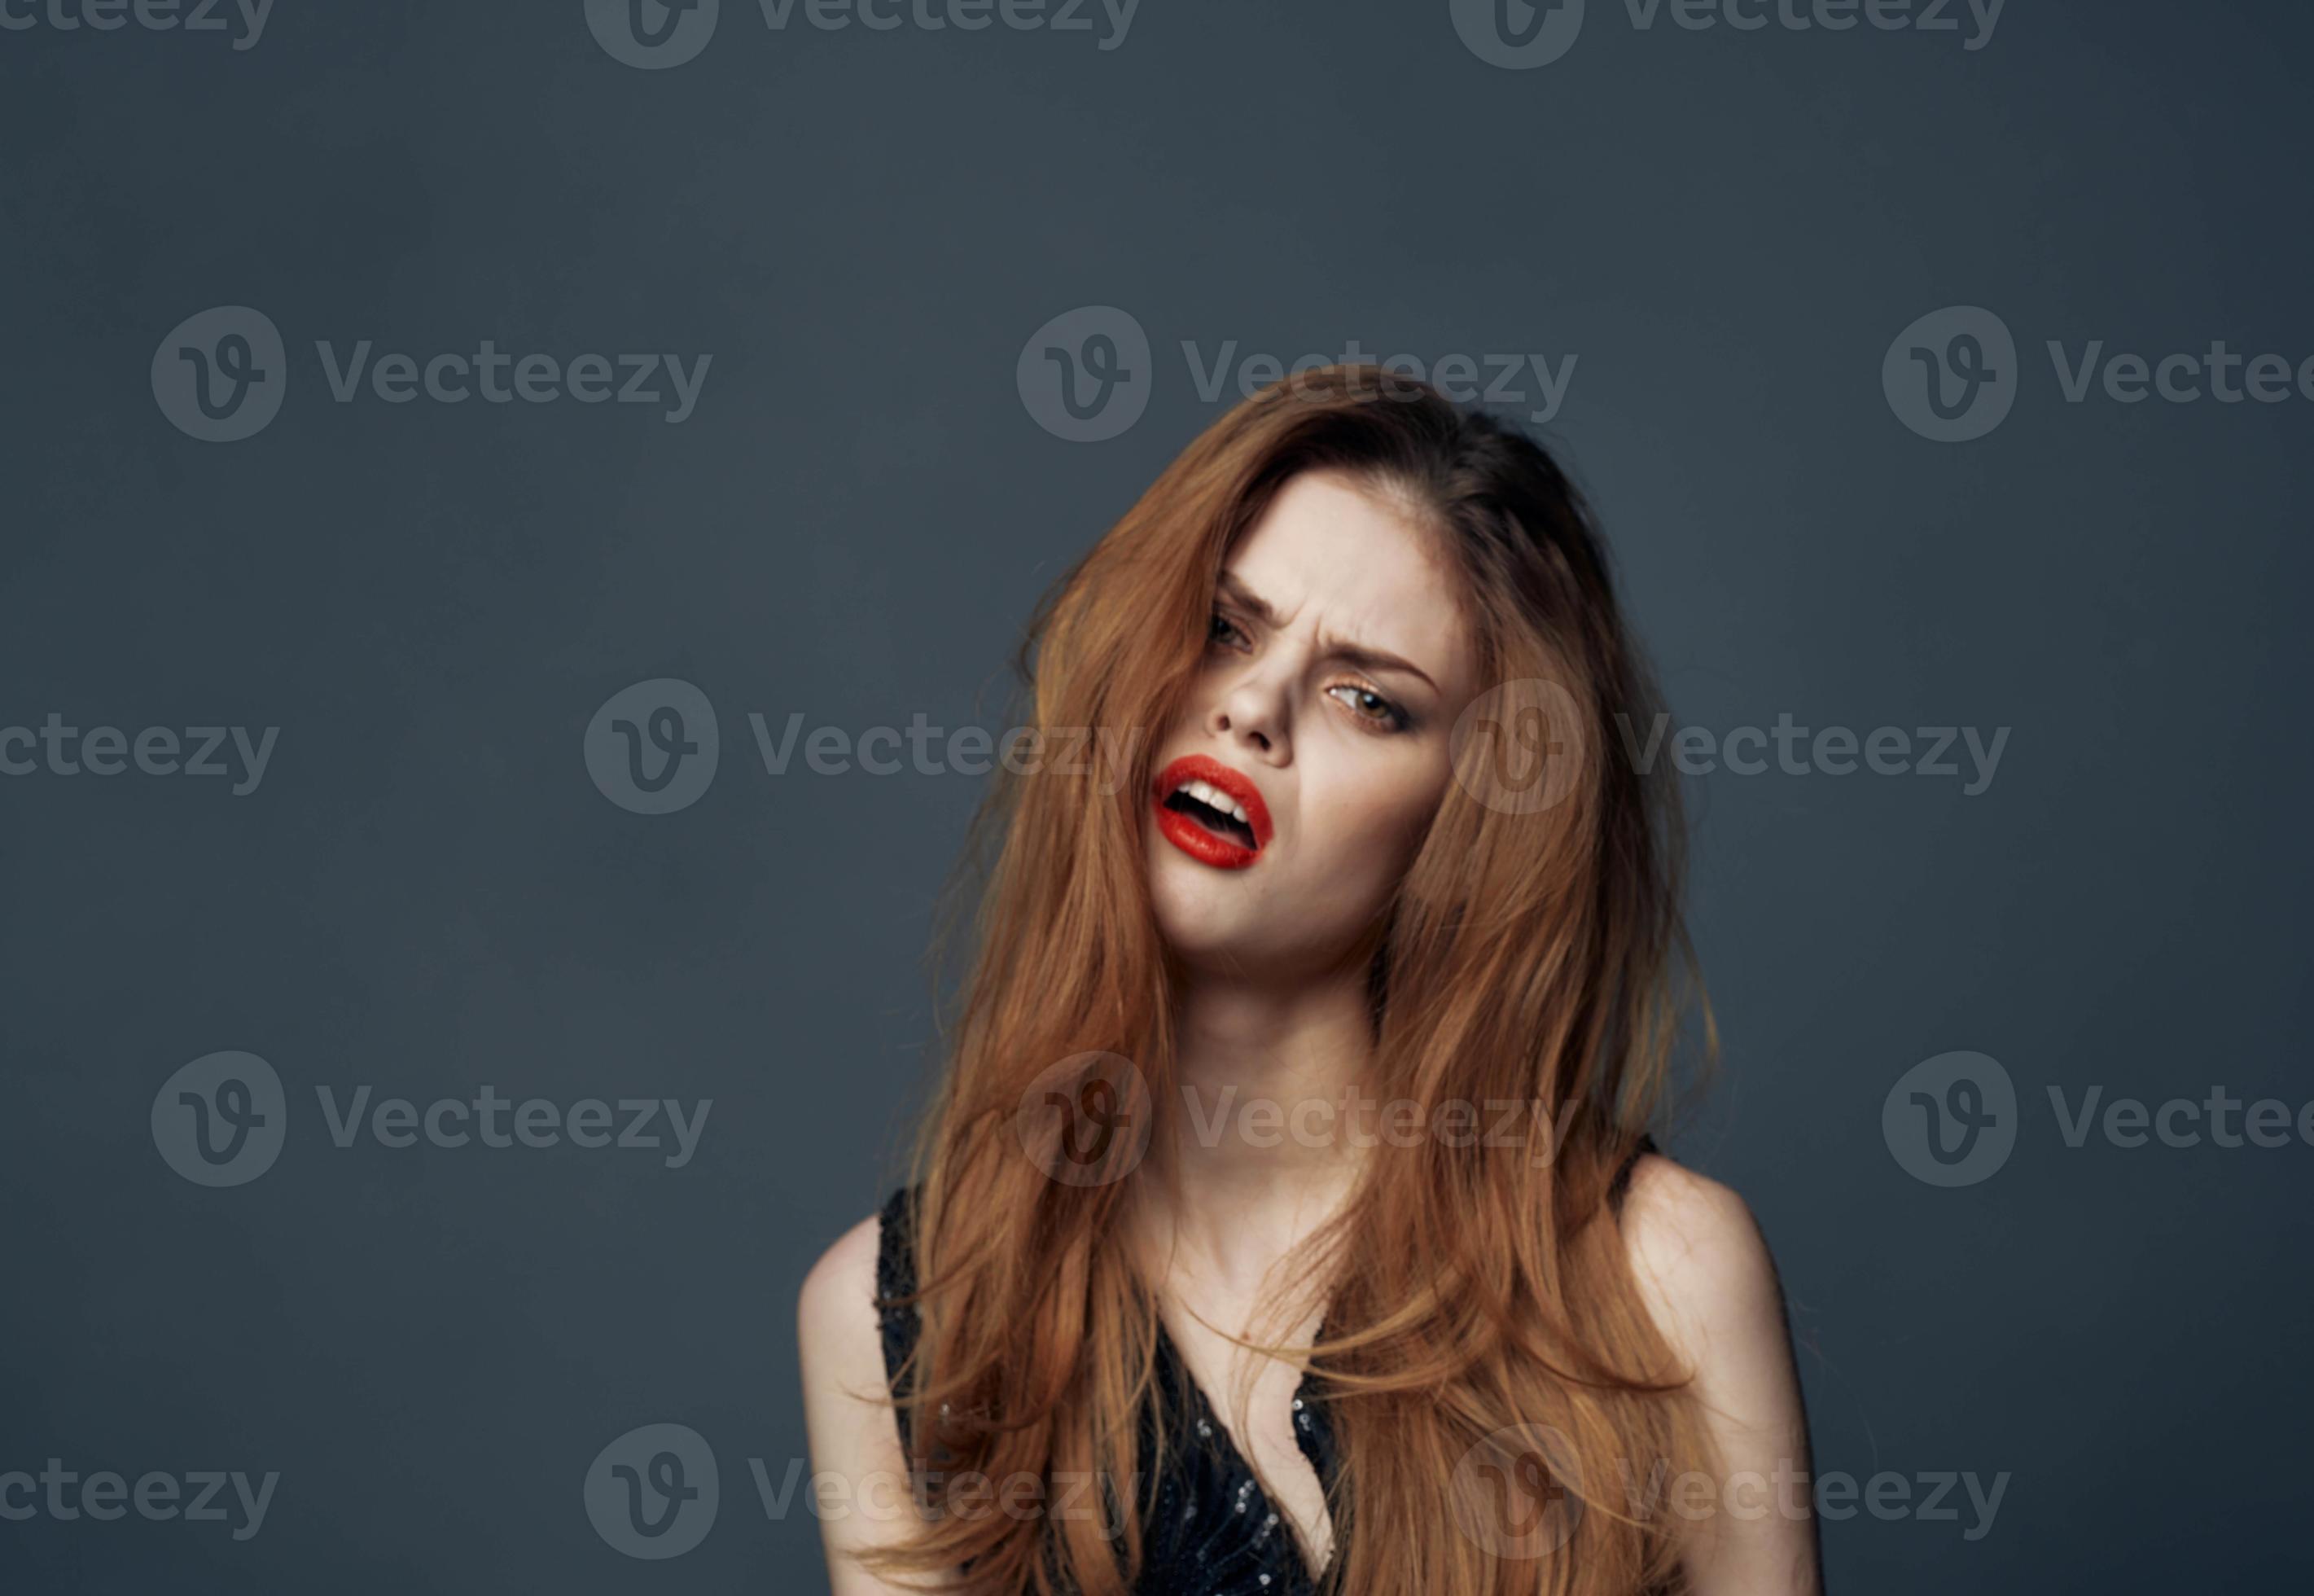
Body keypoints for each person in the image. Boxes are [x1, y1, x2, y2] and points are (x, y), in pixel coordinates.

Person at [800, 365, 1818, 1594]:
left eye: (1367, 699)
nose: (1253, 708)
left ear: (1472, 814)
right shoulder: (904, 1319)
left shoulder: (1661, 1280)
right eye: (1225, 627)